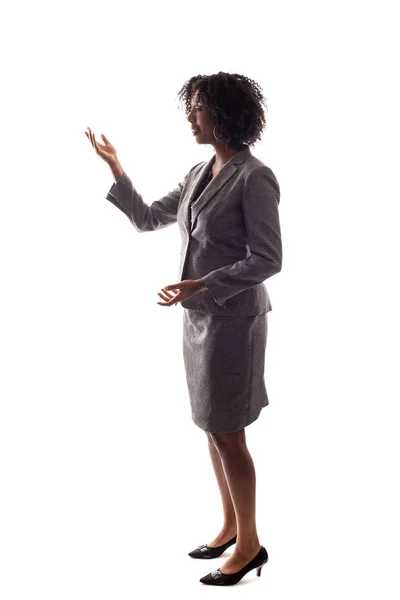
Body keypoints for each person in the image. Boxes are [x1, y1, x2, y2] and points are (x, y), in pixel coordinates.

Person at [85, 71, 282, 586]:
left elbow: (268, 258)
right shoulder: (200, 171)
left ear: (223, 113)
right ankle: (229, 526)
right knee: (211, 425)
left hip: (235, 319)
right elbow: (150, 218)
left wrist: (203, 284)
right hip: (200, 322)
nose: (190, 115)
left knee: (228, 430)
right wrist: (117, 169)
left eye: (197, 107)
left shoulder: (254, 177)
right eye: (190, 107)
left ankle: (252, 545)